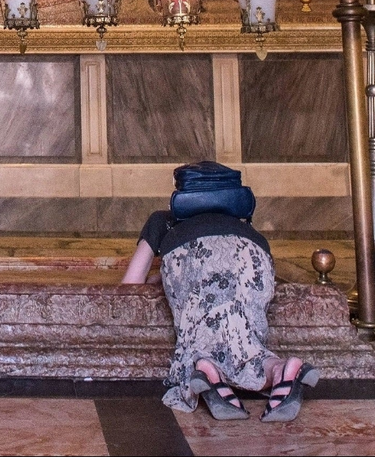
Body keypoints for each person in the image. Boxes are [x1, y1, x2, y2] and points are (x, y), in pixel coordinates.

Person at [120, 165, 319, 423]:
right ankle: (280, 368)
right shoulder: (246, 226)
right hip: (254, 257)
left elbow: (129, 286)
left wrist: (162, 280)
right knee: (247, 338)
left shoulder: (163, 219)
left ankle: (207, 368)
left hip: (193, 254)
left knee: (202, 332)